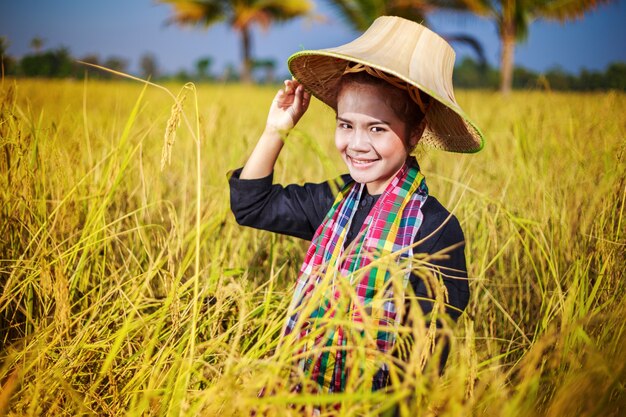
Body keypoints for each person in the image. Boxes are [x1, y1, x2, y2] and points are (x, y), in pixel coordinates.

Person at [229, 16, 484, 400]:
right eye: (345, 125)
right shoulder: (334, 200)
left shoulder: (435, 229)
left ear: (414, 134)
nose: (357, 144)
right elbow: (251, 205)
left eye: (377, 129)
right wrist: (275, 130)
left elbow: (423, 362)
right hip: (295, 399)